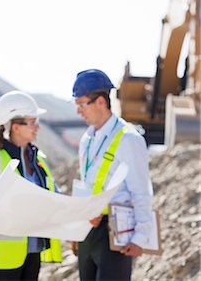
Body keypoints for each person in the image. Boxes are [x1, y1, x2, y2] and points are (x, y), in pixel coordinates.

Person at [0, 90, 62, 280]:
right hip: (4, 255)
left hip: (34, 250)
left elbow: (55, 196)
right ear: (16, 126)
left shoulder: (39, 160)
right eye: (32, 122)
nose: (38, 127)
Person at [71, 69, 154, 280]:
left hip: (117, 230)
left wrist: (141, 237)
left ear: (100, 101)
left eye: (82, 104)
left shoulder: (129, 139)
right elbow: (86, 186)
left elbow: (141, 191)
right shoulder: (86, 140)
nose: (78, 111)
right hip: (88, 228)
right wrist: (76, 229)